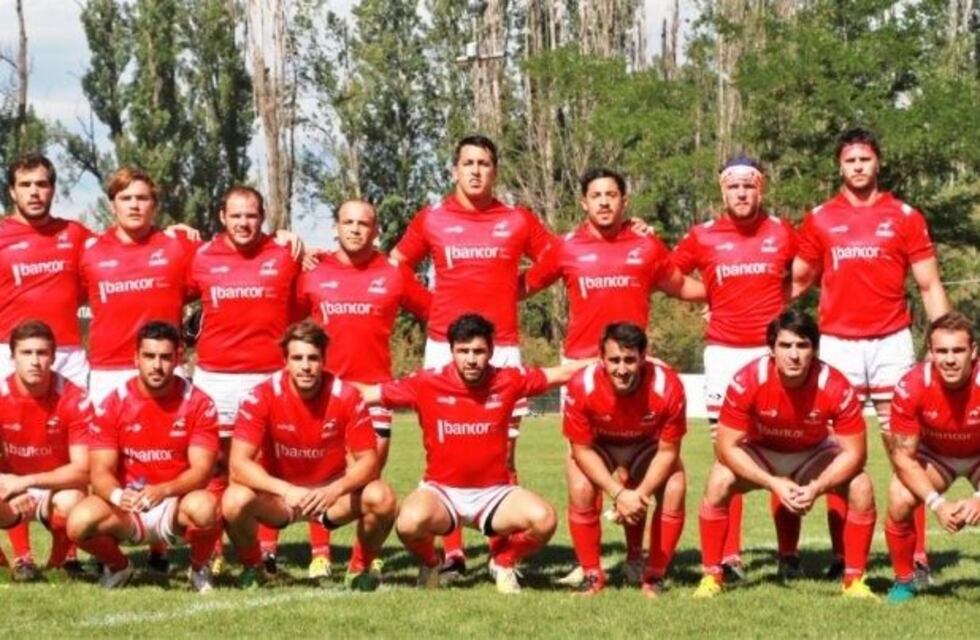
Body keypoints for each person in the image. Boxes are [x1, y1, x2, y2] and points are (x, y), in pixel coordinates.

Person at [521, 167, 699, 585]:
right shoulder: (565, 247)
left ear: (624, 201)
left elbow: (682, 286)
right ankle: (590, 567)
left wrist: (730, 298)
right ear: (583, 202)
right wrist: (469, 292)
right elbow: (524, 285)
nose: (604, 202)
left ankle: (637, 559)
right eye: (596, 195)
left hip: (631, 368)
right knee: (582, 476)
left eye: (612, 194)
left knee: (637, 469)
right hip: (582, 369)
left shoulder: (645, 243)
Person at [389, 135, 554, 578]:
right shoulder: (433, 218)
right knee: (447, 446)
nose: (476, 170)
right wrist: (430, 305)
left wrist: (518, 289)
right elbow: (396, 265)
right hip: (444, 342)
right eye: (468, 163)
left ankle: (502, 556)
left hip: (501, 345)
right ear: (454, 170)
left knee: (504, 450)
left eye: (484, 163)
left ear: (494, 170)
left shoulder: (516, 219)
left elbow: (554, 258)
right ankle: (455, 554)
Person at [792, 128, 950, 582]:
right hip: (837, 343)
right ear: (839, 167)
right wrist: (734, 303)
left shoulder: (904, 216)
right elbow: (797, 282)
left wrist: (942, 343)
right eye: (850, 161)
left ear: (877, 163)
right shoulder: (820, 218)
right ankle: (845, 555)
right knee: (838, 450)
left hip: (891, 342)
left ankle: (917, 555)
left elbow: (929, 285)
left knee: (905, 447)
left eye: (865, 159)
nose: (858, 167)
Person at [355, 313, 589, 594]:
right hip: (442, 493)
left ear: (490, 351)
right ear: (451, 351)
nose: (471, 359)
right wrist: (310, 381)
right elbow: (367, 393)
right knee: (408, 524)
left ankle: (503, 562)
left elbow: (562, 373)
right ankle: (432, 562)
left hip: (494, 494)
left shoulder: (508, 380)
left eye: (478, 351)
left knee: (544, 520)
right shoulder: (426, 383)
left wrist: (611, 361)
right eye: (463, 351)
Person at [259, 200, 430, 579]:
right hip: (319, 394)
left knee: (366, 483)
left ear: (377, 230)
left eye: (364, 223)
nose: (355, 229)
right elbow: (280, 319)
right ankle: (314, 552)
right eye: (348, 222)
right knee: (313, 472)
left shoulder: (393, 273)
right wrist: (280, 240)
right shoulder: (313, 272)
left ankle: (361, 561)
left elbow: (436, 313)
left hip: (373, 396)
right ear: (335, 227)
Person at [672, 156, 804, 580]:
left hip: (773, 355)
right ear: (722, 192)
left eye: (749, 187)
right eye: (733, 187)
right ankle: (730, 556)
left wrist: (783, 303)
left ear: (760, 190)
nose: (742, 194)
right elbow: (670, 276)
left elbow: (807, 270)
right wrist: (708, 296)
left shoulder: (782, 231)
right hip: (724, 355)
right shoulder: (703, 236)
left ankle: (789, 555)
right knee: (729, 456)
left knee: (784, 449)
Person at [694, 310, 877, 600]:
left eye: (802, 346)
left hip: (811, 453)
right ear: (771, 349)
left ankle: (853, 581)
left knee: (861, 486)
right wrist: (773, 483)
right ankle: (712, 578)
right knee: (718, 481)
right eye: (785, 345)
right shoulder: (748, 379)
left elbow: (856, 453)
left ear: (815, 350)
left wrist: (816, 487)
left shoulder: (835, 385)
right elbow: (726, 447)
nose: (794, 355)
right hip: (762, 451)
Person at [222, 321, 397, 590]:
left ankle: (358, 569)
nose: (306, 366)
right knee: (234, 499)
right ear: (286, 361)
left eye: (313, 358)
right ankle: (254, 567)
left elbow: (369, 461)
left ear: (324, 360)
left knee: (382, 497)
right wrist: (286, 489)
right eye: (298, 358)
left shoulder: (347, 395)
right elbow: (238, 465)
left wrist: (334, 489)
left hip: (332, 498)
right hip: (281, 499)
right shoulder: (262, 395)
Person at [187, 185, 302, 573]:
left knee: (267, 464)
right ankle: (214, 548)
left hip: (268, 375)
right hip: (215, 376)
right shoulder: (200, 256)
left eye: (251, 215)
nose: (243, 222)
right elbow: (170, 292)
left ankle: (266, 549)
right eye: (235, 215)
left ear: (263, 216)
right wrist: (174, 232)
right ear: (222, 217)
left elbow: (318, 281)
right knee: (217, 465)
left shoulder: (285, 254)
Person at [66, 322, 222, 591]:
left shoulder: (199, 402)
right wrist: (117, 496)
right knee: (78, 522)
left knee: (206, 508)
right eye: (149, 356)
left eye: (165, 357)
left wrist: (164, 489)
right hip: (130, 506)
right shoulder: (114, 403)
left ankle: (198, 568)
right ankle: (119, 567)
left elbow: (202, 471)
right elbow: (100, 471)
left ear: (178, 358)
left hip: (175, 504)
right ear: (136, 358)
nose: (156, 365)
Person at [0, 153, 92, 574]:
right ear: (12, 191)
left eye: (42, 184)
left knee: (65, 452)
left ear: (53, 189)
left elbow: (123, 242)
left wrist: (179, 233)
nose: (35, 192)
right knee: (9, 452)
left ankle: (65, 553)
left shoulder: (74, 234)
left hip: (68, 353)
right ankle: (17, 555)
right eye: (26, 185)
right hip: (8, 350)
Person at [562, 322, 687, 598]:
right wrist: (618, 492)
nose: (621, 369)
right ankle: (592, 575)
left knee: (675, 486)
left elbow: (668, 452)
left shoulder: (668, 386)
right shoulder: (582, 385)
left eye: (630, 360)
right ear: (601, 359)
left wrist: (638, 494)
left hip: (645, 446)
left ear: (643, 357)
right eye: (614, 360)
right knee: (581, 487)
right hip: (600, 446)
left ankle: (653, 576)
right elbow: (581, 450)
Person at [884, 312, 980, 603]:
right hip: (938, 456)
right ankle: (905, 581)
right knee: (899, 496)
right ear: (930, 353)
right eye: (942, 351)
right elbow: (903, 456)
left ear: (974, 352)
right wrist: (937, 504)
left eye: (958, 350)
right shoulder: (911, 385)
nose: (950, 360)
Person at [80, 168, 197, 405]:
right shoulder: (88, 250)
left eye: (142, 198)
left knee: (170, 442)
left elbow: (230, 263)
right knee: (105, 443)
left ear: (154, 205)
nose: (134, 205)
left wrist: (278, 238)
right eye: (125, 198)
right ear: (112, 205)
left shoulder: (180, 246)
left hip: (164, 366)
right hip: (109, 371)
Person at [0, 321, 91, 581]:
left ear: (53, 357)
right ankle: (13, 562)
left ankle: (58, 563)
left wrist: (27, 481)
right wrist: (7, 484)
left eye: (42, 353)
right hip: (11, 485)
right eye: (26, 353)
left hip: (56, 486)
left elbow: (83, 470)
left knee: (72, 500)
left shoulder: (74, 398)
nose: (35, 361)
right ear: (12, 357)